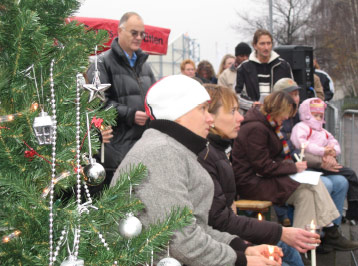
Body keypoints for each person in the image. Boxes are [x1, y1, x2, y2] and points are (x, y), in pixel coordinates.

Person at [111, 75, 283, 266]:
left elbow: (195, 228)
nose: (210, 119)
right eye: (203, 109)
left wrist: (242, 248)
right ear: (179, 112)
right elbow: (180, 240)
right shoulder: (162, 153)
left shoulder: (175, 149)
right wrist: (243, 261)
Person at [198, 84, 320, 266]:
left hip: (229, 231)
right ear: (209, 116)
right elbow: (218, 222)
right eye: (233, 111)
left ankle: (324, 232)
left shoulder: (217, 150)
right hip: (251, 188)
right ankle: (321, 235)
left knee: (317, 187)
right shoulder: (207, 155)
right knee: (287, 251)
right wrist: (278, 233)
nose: (240, 117)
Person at [232, 91, 341, 231]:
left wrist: (290, 167)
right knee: (312, 183)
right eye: (286, 113)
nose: (287, 117)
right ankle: (331, 229)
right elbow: (263, 166)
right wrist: (293, 168)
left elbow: (266, 162)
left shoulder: (265, 125)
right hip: (251, 183)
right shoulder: (256, 128)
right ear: (277, 109)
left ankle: (301, 243)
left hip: (258, 180)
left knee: (305, 195)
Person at [273, 78, 358, 252]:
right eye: (291, 95)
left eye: (297, 94)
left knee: (341, 182)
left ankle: (332, 233)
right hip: (297, 167)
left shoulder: (303, 112)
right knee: (324, 184)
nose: (295, 98)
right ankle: (321, 232)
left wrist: (330, 154)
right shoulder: (283, 119)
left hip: (311, 164)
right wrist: (321, 160)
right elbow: (293, 150)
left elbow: (325, 138)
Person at [86, 12, 156, 188]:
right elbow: (97, 103)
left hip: (143, 147)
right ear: (120, 31)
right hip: (115, 151)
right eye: (134, 32)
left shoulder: (145, 66)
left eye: (142, 34)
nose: (139, 37)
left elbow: (154, 97)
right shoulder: (101, 63)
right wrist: (130, 114)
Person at [291, 97, 358, 226]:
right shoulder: (301, 127)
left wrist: (332, 152)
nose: (318, 118)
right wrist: (323, 151)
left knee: (348, 175)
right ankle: (322, 223)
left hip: (324, 162)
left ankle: (349, 212)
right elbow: (302, 144)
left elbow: (334, 143)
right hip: (309, 164)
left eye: (320, 115)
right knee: (327, 183)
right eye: (315, 115)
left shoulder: (323, 132)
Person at [235, 29, 293, 111]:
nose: (266, 47)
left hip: (279, 114)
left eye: (269, 43)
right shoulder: (244, 68)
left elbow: (292, 91)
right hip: (254, 116)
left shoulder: (283, 65)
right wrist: (252, 105)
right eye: (262, 44)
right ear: (255, 46)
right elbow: (236, 95)